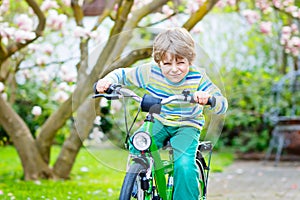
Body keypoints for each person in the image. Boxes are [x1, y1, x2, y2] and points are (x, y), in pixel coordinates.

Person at [95, 27, 228, 200]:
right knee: (138, 144)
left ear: (190, 60)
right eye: (167, 63)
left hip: (187, 124)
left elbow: (221, 103)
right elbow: (121, 74)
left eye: (180, 63)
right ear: (158, 62)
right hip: (159, 120)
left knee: (184, 165)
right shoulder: (149, 72)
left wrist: (208, 98)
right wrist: (107, 81)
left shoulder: (198, 77)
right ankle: (138, 183)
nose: (174, 69)